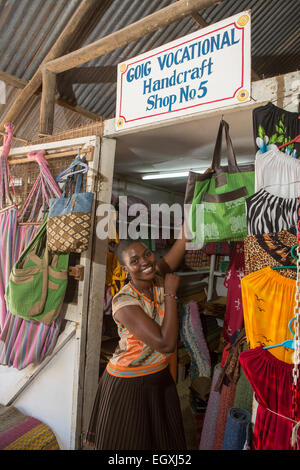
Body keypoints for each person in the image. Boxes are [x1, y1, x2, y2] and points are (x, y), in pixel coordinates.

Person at [86, 224, 189, 450]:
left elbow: (180, 245)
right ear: (125, 269)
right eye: (135, 261)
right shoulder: (124, 302)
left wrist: (190, 222)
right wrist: (171, 294)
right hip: (129, 383)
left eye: (147, 254)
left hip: (159, 377)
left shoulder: (158, 278)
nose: (144, 262)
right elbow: (166, 343)